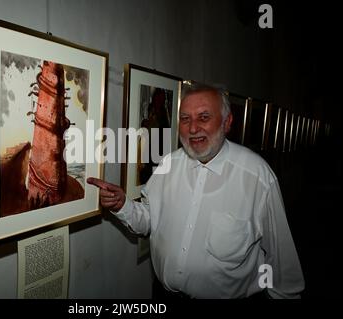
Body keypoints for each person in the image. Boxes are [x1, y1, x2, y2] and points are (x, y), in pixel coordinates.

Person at [87, 83, 304, 299]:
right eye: (185, 119)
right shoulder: (168, 165)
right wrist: (122, 204)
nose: (192, 129)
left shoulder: (257, 177)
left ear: (227, 123)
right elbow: (149, 219)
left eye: (203, 117)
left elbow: (282, 264)